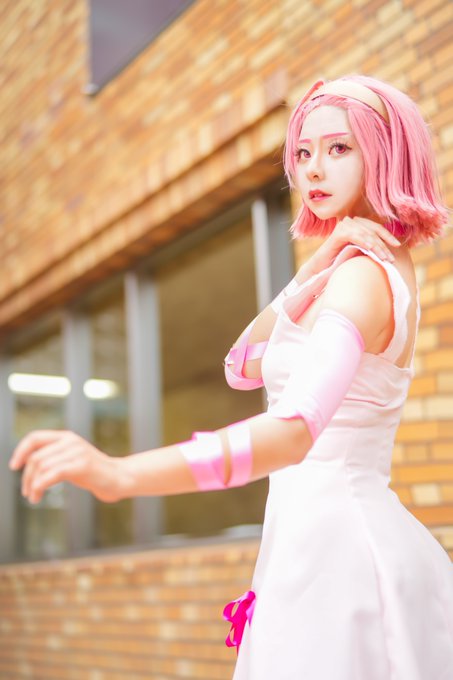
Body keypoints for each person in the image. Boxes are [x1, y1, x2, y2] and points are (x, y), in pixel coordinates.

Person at [9, 74, 453, 679]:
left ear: (385, 152)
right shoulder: (351, 269)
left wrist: (120, 475)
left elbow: (292, 433)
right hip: (314, 541)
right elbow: (241, 365)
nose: (313, 169)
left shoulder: (364, 278)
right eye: (303, 152)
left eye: (339, 147)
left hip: (338, 557)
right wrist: (316, 265)